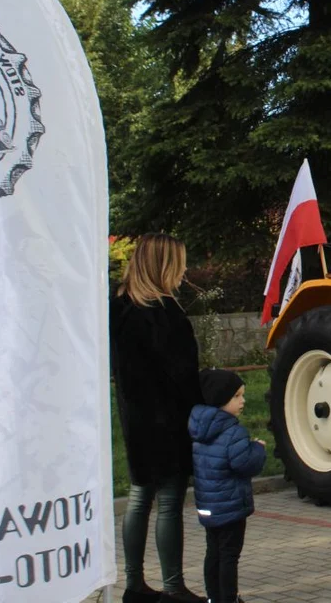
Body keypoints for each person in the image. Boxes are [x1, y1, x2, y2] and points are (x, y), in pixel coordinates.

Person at [110, 233, 206, 603]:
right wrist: (199, 412)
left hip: (134, 416)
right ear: (164, 265)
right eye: (179, 264)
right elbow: (182, 374)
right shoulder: (165, 314)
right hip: (169, 418)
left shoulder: (118, 308)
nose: (183, 272)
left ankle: (133, 584)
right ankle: (173, 586)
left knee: (139, 496)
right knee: (168, 502)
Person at [189, 369, 268, 603]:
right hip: (230, 508)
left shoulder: (198, 428)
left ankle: (214, 597)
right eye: (236, 396)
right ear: (220, 398)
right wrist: (258, 448)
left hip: (208, 506)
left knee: (212, 553)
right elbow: (245, 464)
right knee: (229, 557)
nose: (243, 401)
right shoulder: (233, 432)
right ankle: (229, 598)